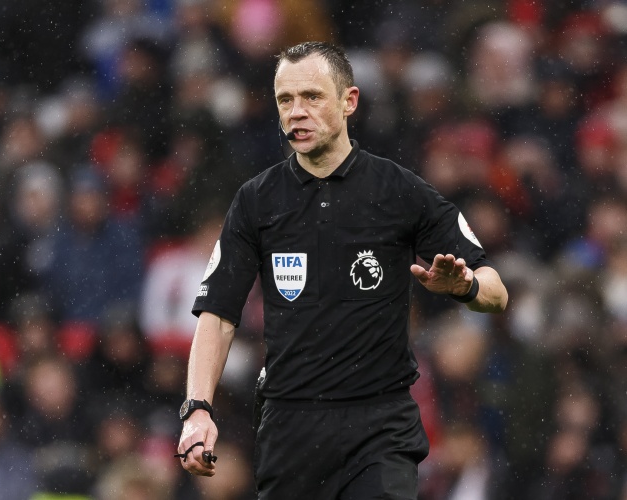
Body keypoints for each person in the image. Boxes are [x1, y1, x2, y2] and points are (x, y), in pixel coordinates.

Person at [175, 41, 508, 499]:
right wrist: (197, 409)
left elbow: (496, 290)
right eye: (285, 100)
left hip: (380, 429)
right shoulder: (257, 201)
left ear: (349, 101)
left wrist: (467, 286)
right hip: (290, 429)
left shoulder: (399, 191)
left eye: (311, 97)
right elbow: (217, 314)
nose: (296, 112)